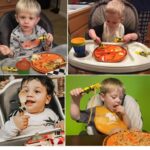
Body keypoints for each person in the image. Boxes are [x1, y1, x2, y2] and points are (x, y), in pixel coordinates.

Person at [0, 76, 64, 142]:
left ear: (47, 99)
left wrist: (61, 124)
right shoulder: (17, 115)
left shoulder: (51, 113)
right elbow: (2, 137)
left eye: (36, 91)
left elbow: (58, 126)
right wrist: (14, 125)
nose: (29, 94)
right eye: (26, 91)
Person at [70, 78, 142, 135]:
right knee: (116, 131)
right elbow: (76, 116)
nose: (118, 100)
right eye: (114, 97)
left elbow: (128, 126)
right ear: (102, 97)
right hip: (103, 141)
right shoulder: (95, 111)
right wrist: (75, 101)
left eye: (121, 98)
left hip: (123, 139)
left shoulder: (120, 110)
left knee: (135, 130)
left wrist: (124, 114)